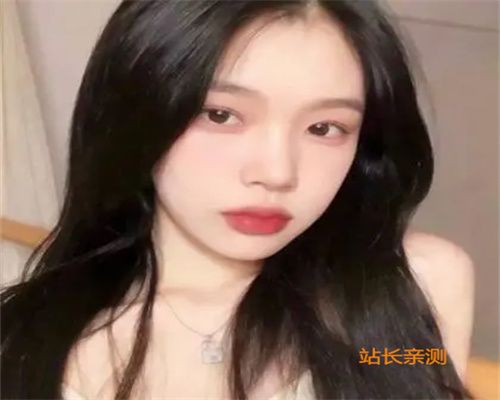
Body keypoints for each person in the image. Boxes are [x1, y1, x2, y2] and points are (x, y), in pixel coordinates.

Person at [0, 0, 475, 399]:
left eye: (324, 127)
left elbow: (405, 372)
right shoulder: (29, 347)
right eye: (221, 115)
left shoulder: (410, 289)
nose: (277, 173)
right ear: (137, 111)